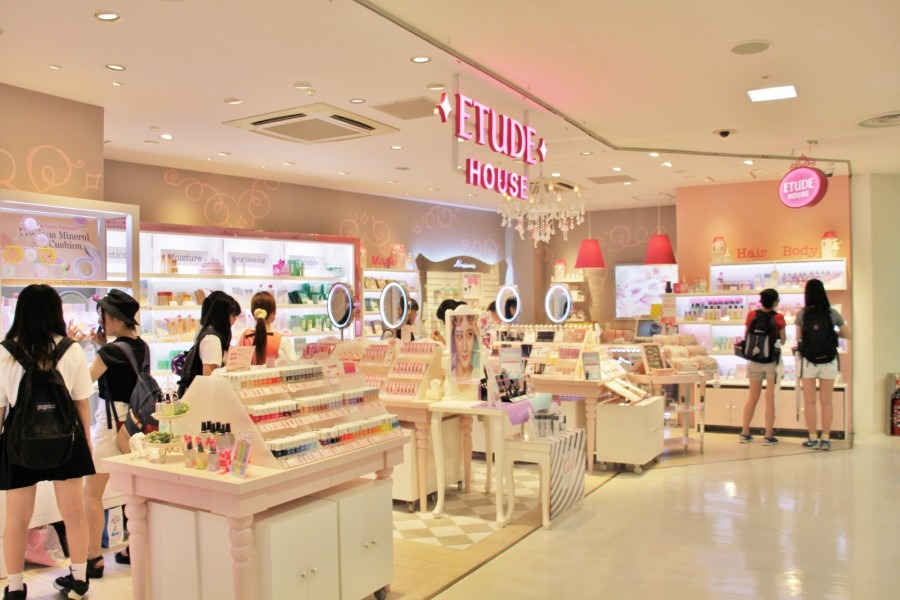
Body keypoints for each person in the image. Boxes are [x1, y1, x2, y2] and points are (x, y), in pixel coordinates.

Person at [0, 285, 95, 599]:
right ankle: (78, 579)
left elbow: (1, 408)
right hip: (67, 440)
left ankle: (15, 587)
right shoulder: (71, 350)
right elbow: (82, 403)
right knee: (74, 512)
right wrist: (86, 443)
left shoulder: (5, 351)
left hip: (19, 442)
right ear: (57, 311)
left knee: (16, 518)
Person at [74, 290, 149, 575]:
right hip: (137, 421)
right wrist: (102, 346)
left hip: (111, 423)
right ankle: (134, 547)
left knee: (92, 491)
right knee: (136, 490)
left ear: (115, 319)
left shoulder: (109, 352)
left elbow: (83, 382)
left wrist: (78, 349)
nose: (101, 320)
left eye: (104, 315)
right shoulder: (142, 346)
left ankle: (93, 556)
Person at [796, 278, 848, 451]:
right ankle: (825, 439)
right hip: (829, 360)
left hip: (808, 361)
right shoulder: (832, 313)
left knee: (809, 402)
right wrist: (833, 334)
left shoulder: (802, 314)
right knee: (827, 402)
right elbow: (847, 334)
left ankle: (812, 438)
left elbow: (799, 339)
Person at [739, 289, 786, 446]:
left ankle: (745, 432)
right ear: (775, 302)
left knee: (752, 398)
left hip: (754, 360)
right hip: (771, 362)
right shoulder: (778, 317)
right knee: (770, 398)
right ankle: (768, 435)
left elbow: (747, 335)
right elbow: (783, 340)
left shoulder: (752, 315)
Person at [239, 291, 296, 364]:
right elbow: (293, 366)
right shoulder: (282, 341)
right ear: (274, 313)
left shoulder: (244, 336)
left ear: (253, 313)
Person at [197, 294, 241, 376]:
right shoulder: (212, 339)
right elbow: (209, 376)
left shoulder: (211, 335)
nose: (235, 319)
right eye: (233, 315)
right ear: (223, 316)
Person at [451, 313, 478, 382]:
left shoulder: (480, 376)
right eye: (459, 336)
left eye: (469, 335)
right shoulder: (448, 377)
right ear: (453, 339)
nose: (464, 348)